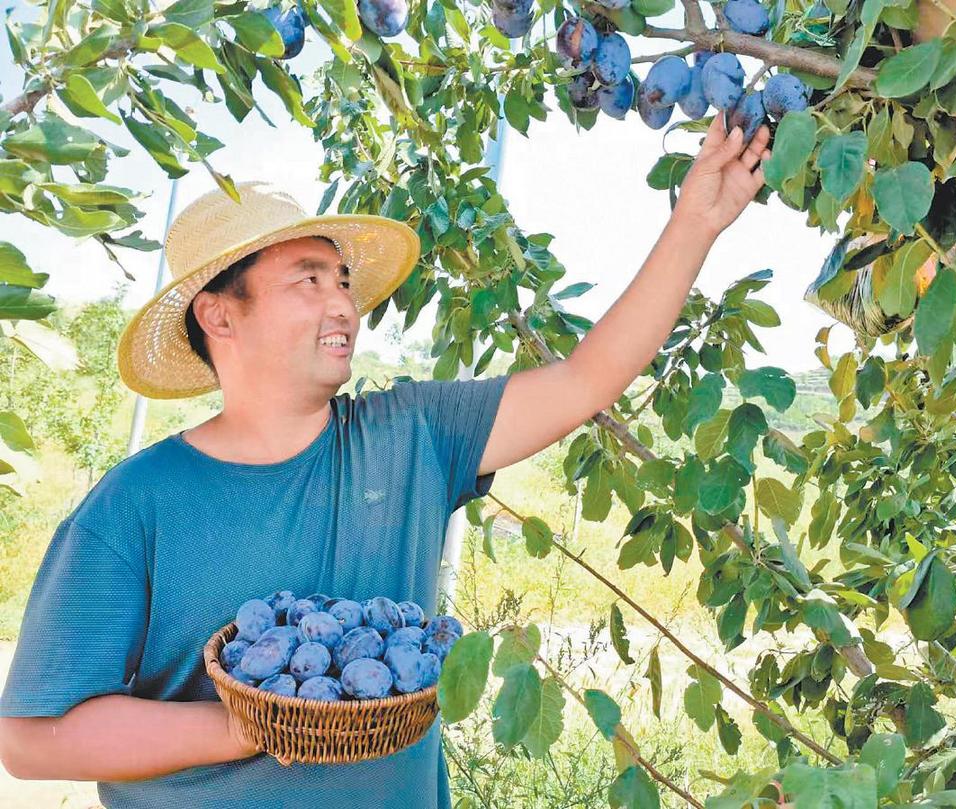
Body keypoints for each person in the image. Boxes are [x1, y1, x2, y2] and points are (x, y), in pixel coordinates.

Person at [0, 115, 769, 808]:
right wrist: (258, 722)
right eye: (308, 280)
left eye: (342, 280)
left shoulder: (411, 437)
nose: (343, 303)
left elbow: (585, 378)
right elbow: (32, 739)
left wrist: (697, 221)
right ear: (219, 313)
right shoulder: (136, 503)